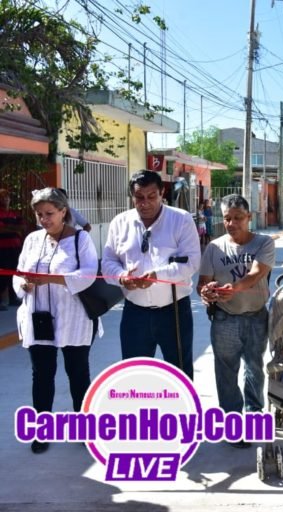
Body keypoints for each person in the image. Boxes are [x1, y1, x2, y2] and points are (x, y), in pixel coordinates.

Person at [13, 188, 98, 454]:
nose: (44, 219)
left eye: (49, 214)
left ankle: (82, 429)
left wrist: (50, 279)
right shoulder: (32, 239)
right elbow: (18, 272)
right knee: (42, 376)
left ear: (64, 211)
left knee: (78, 374)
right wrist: (24, 284)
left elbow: (88, 275)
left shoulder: (80, 240)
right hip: (39, 318)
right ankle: (42, 430)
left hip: (73, 318)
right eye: (39, 214)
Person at [102, 170, 201, 379]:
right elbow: (108, 263)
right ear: (132, 196)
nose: (145, 203)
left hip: (174, 310)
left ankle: (182, 412)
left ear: (162, 193)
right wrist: (121, 276)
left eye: (151, 197)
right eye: (139, 198)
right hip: (134, 313)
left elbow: (191, 262)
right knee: (134, 375)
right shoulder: (120, 223)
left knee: (180, 375)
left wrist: (157, 275)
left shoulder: (181, 220)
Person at [197, 194, 274, 448]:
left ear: (249, 218)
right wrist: (207, 292)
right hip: (224, 318)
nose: (232, 223)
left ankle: (253, 419)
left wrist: (235, 288)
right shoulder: (214, 247)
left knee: (254, 369)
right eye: (227, 218)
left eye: (238, 218)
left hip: (256, 317)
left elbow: (255, 274)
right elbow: (203, 283)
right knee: (226, 373)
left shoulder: (264, 243)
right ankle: (232, 423)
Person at [0, 188, 26, 310]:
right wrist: (15, 228)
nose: (4, 199)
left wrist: (9, 227)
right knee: (3, 274)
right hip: (2, 248)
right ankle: (3, 301)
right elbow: (1, 229)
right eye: (2, 197)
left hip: (15, 247)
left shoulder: (15, 214)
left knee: (14, 272)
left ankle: (13, 298)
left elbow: (23, 227)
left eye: (6, 197)